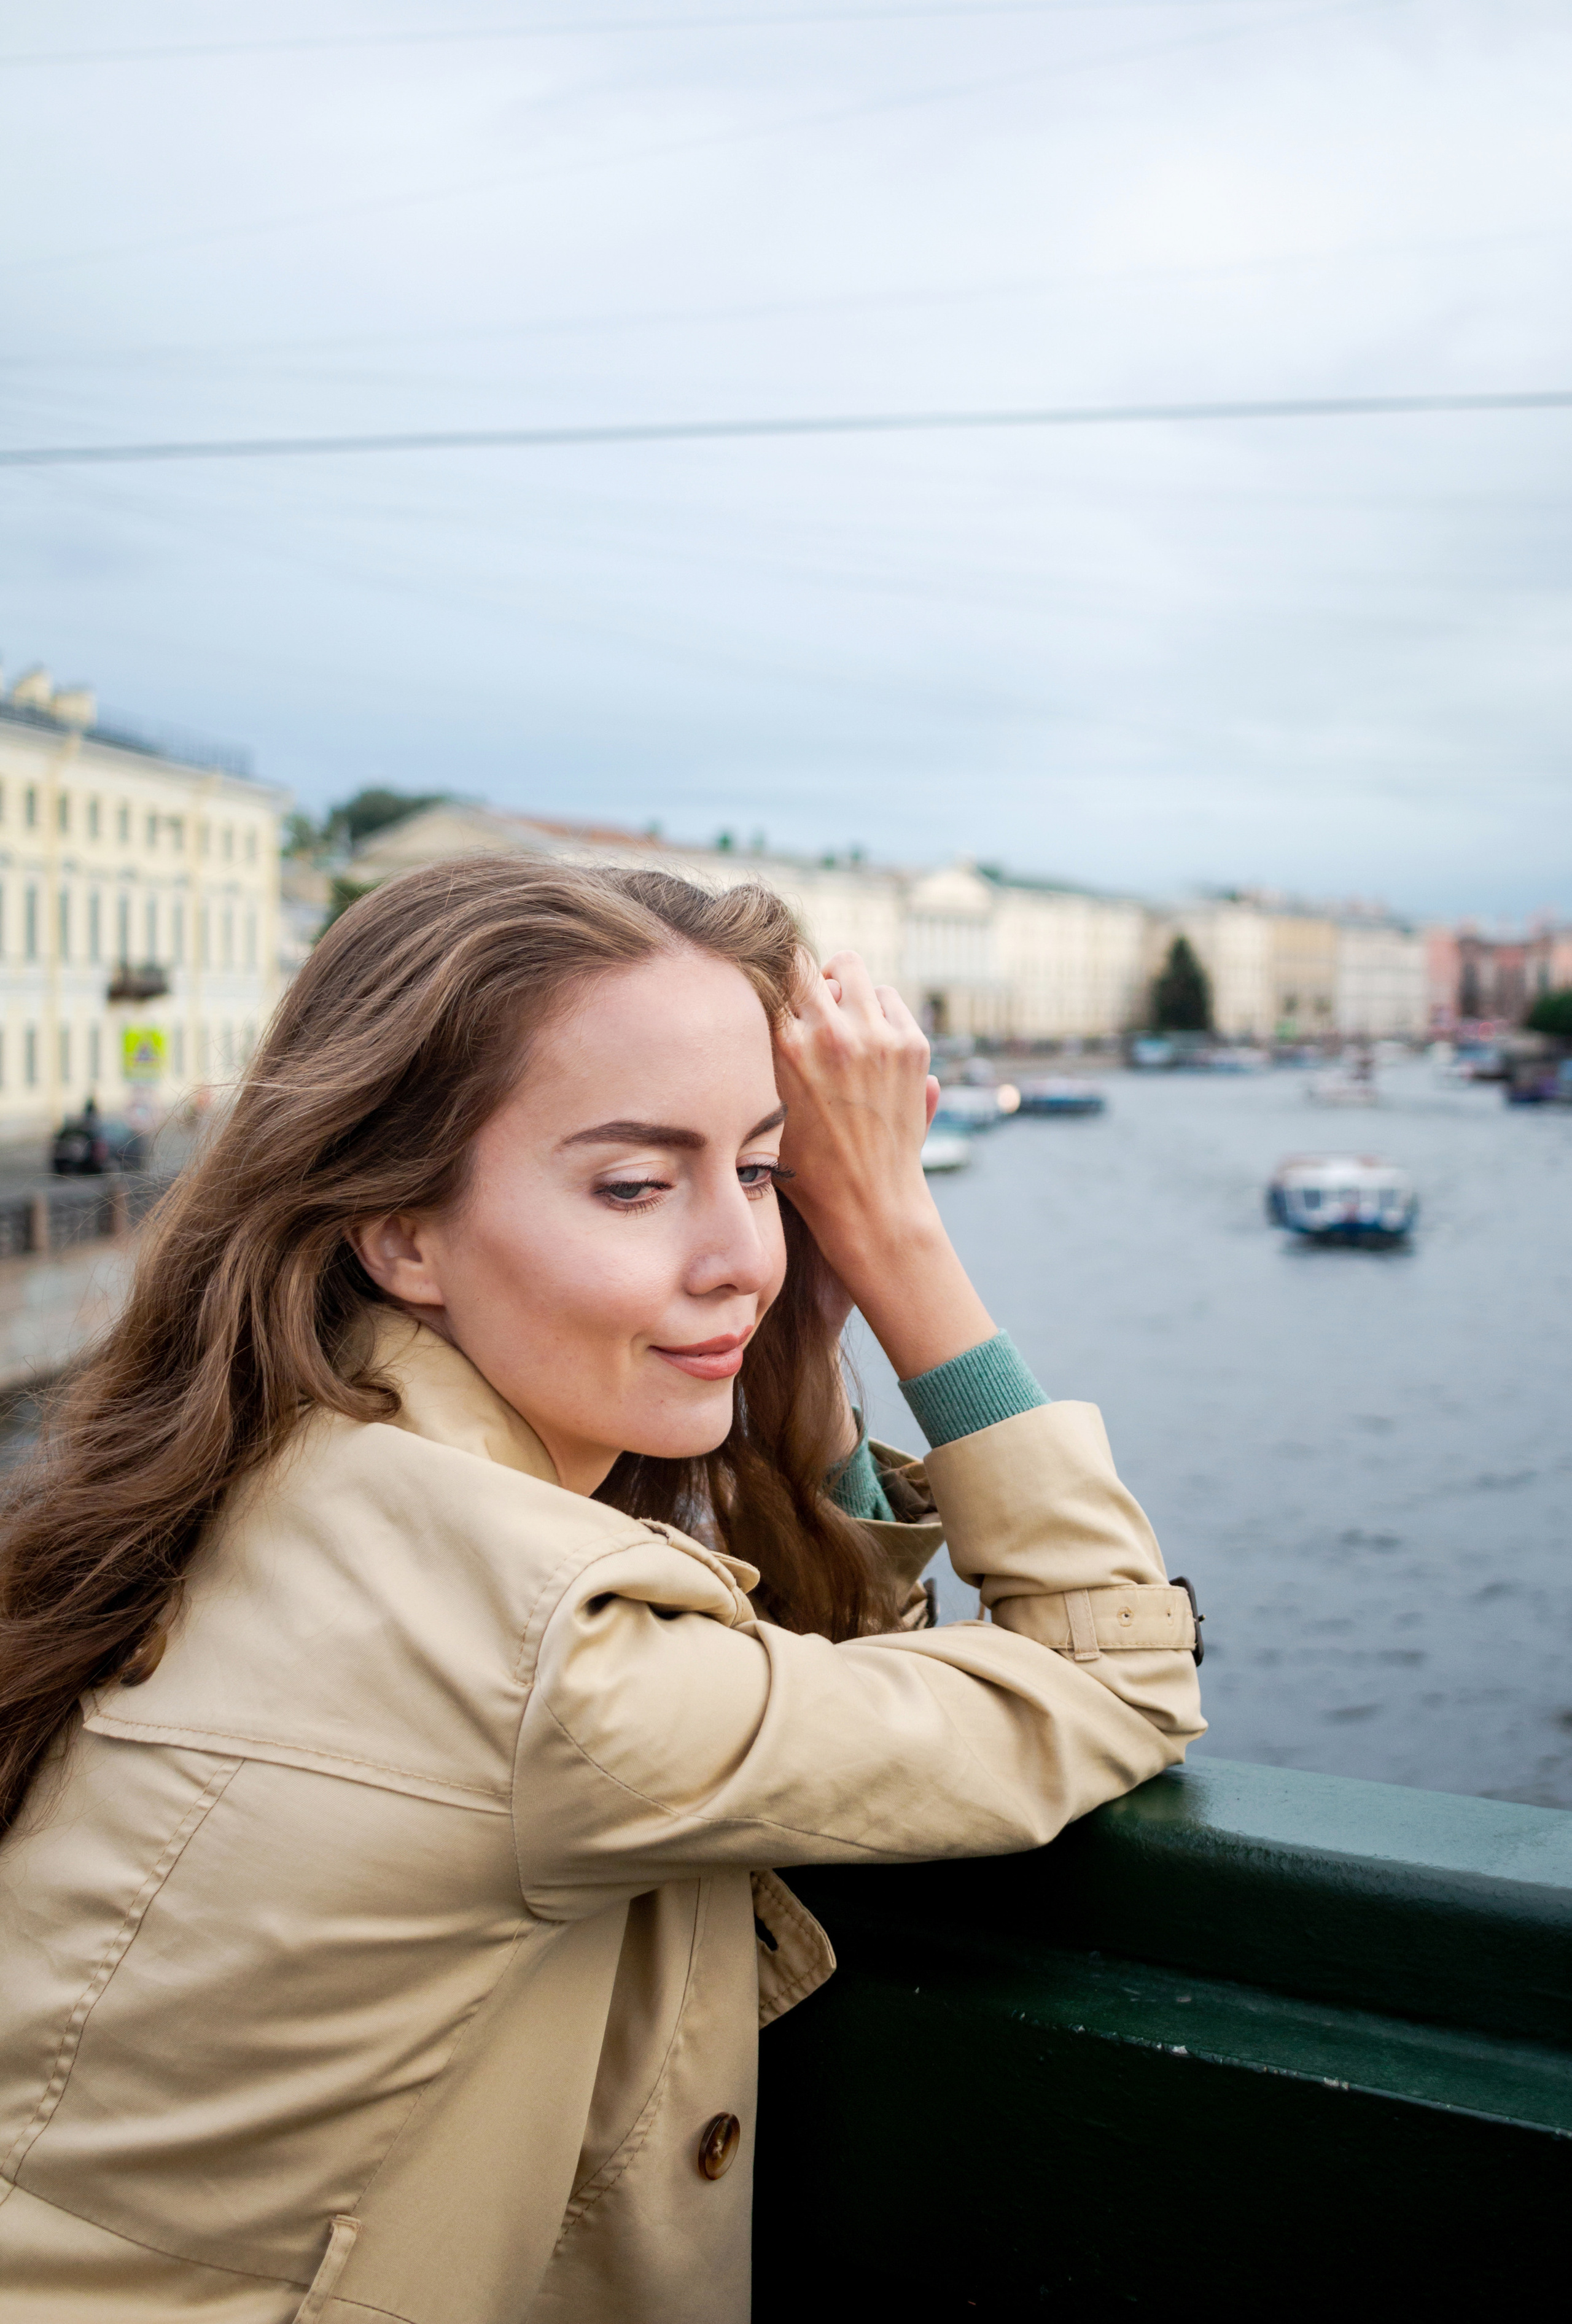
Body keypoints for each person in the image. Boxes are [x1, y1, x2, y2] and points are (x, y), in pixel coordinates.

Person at [0, 857, 1203, 2324]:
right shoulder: (552, 1656)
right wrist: (893, 1239)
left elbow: (790, 1692)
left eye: (765, 1173)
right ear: (401, 1231)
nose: (745, 1258)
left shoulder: (265, 1472)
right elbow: (1120, 1678)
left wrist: (803, 1346)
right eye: (636, 1184)